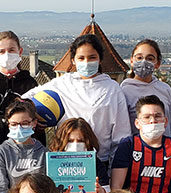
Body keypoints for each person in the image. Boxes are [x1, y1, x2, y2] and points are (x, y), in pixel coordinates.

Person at [23, 34, 131, 165]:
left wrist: (115, 171)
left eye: (92, 57)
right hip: (64, 160)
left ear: (100, 59)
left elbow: (121, 136)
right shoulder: (62, 83)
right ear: (73, 60)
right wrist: (34, 115)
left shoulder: (112, 89)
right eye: (81, 58)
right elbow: (27, 98)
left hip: (99, 161)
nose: (86, 62)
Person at [0, 31, 45, 147]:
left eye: (11, 50)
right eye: (1, 51)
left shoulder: (30, 84)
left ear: (19, 52)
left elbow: (38, 121)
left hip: (26, 147)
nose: (7, 55)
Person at [0, 100, 46, 193]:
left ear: (34, 123)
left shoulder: (44, 152)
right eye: (14, 124)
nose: (19, 128)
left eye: (25, 123)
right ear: (8, 125)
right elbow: (0, 189)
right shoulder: (1, 152)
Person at [120, 39, 171, 138]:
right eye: (139, 57)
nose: (144, 62)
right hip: (137, 149)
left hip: (166, 149)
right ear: (131, 61)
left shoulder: (165, 89)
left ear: (157, 64)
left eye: (150, 59)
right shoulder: (124, 91)